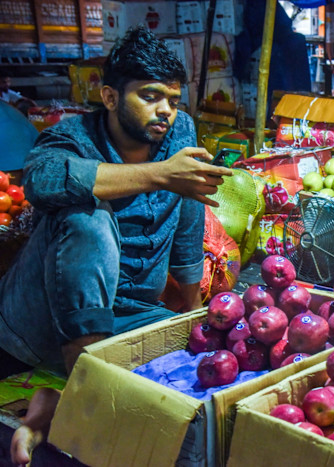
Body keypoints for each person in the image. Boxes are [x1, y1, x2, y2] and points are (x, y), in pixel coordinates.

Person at [1, 25, 232, 464]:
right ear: (109, 97)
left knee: (212, 355)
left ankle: (54, 401)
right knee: (89, 216)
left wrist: (192, 312)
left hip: (126, 316)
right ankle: (80, 400)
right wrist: (158, 174)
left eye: (173, 100)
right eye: (149, 96)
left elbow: (188, 220)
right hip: (43, 322)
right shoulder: (71, 136)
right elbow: (42, 180)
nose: (164, 110)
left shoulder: (179, 132)